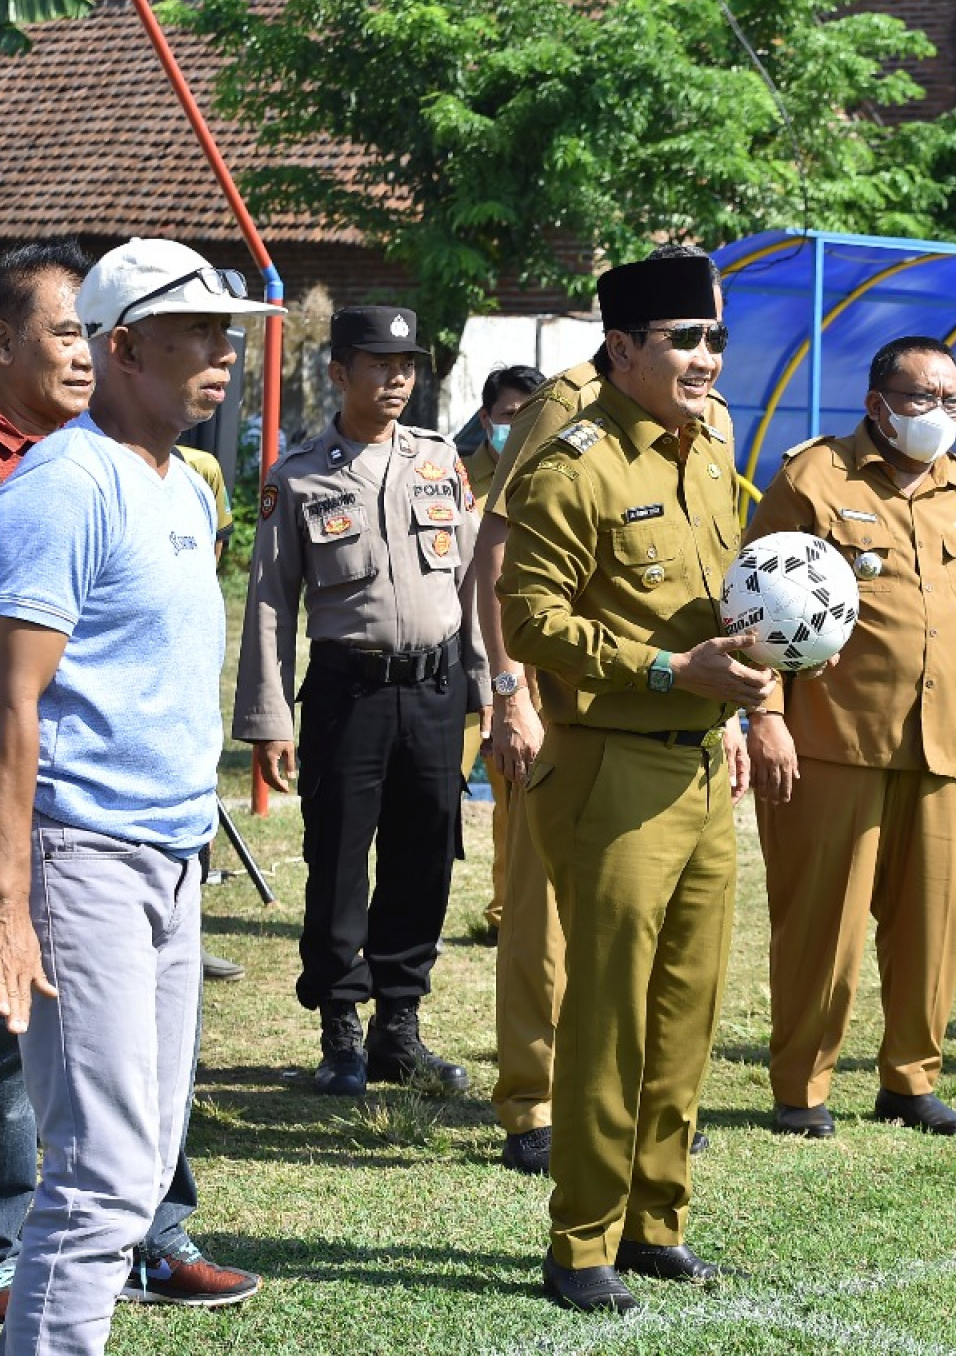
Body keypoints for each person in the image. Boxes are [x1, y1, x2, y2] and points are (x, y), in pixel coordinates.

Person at [0, 240, 255, 1323]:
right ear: (127, 345)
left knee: (135, 1167)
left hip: (168, 860)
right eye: (199, 334)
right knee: (95, 1179)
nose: (222, 355)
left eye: (227, 334)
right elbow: (5, 700)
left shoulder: (179, 480)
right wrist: (1, 901)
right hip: (79, 852)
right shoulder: (62, 484)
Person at [499, 254, 763, 1312]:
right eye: (680, 341)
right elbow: (530, 623)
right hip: (608, 764)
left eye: (713, 341)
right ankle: (581, 1240)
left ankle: (658, 1220)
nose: (703, 360)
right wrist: (666, 670)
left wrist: (757, 678)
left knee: (687, 1007)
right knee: (609, 1011)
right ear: (620, 351)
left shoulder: (710, 450)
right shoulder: (572, 464)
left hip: (701, 760)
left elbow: (725, 591)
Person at [745, 336, 956, 1140]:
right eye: (921, 398)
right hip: (836, 742)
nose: (938, 414)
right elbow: (753, 610)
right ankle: (801, 1090)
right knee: (822, 926)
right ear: (877, 402)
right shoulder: (813, 479)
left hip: (945, 746)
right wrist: (766, 716)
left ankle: (911, 1081)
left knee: (932, 923)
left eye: (951, 401)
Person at [234, 305, 486, 1097]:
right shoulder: (300, 474)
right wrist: (270, 720)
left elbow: (473, 584)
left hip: (438, 689)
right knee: (338, 860)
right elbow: (271, 604)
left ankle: (397, 1026)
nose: (396, 378)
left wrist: (488, 686)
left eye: (407, 364)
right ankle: (340, 1028)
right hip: (351, 691)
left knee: (425, 858)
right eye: (378, 364)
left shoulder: (441, 461)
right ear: (340, 372)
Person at [460, 364, 545, 944]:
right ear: (487, 418)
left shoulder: (554, 480)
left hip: (536, 661)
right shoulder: (458, 481)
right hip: (466, 663)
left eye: (529, 417)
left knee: (524, 793)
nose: (517, 428)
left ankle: (509, 913)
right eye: (509, 416)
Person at [173, 441, 245, 985]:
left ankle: (186, 939)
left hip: (186, 661)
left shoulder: (199, 469)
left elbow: (210, 559)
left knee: (196, 784)